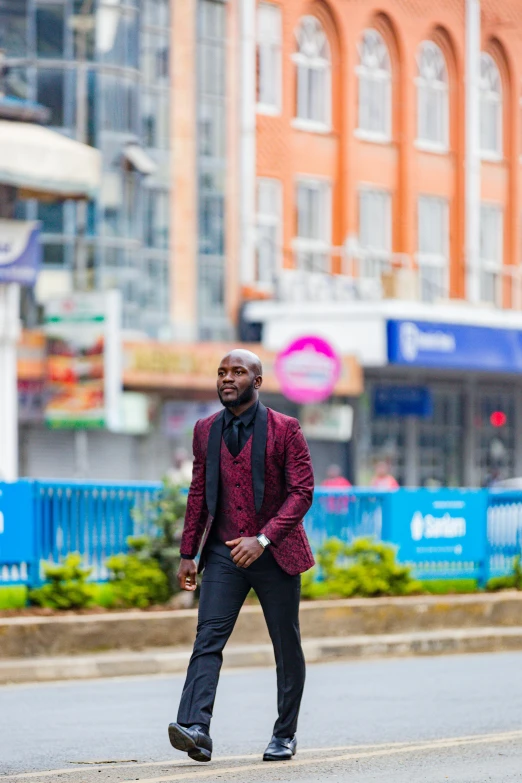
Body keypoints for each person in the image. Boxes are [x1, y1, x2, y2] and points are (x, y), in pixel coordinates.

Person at [168, 349, 315, 764]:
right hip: (222, 552)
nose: (227, 379)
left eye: (237, 372)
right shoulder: (204, 430)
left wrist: (263, 539)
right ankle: (196, 728)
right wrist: (187, 553)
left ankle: (284, 734)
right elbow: (199, 493)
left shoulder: (287, 429)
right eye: (221, 372)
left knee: (286, 644)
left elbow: (302, 492)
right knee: (207, 639)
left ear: (258, 381)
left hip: (276, 553)